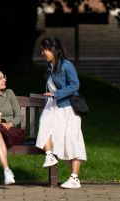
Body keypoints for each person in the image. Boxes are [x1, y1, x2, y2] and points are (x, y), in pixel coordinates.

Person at [35, 36, 87, 189]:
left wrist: (56, 94)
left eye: (45, 49)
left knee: (73, 139)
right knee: (45, 126)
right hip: (55, 107)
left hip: (68, 108)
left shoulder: (66, 65)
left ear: (54, 50)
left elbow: (75, 85)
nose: (42, 53)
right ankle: (50, 155)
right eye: (42, 49)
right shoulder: (51, 68)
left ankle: (74, 178)